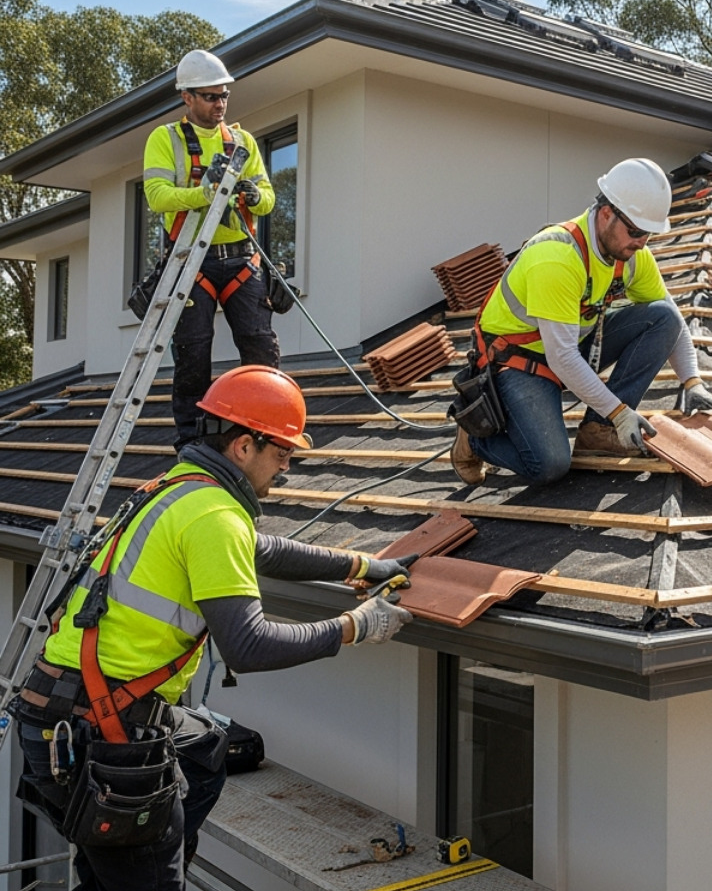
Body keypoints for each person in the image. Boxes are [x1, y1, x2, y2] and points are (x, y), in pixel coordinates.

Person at [9, 365, 414, 890]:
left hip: (69, 709)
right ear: (244, 446)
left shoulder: (180, 488)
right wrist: (356, 626)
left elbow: (263, 550)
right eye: (283, 453)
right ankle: (152, 860)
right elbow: (248, 646)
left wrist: (362, 566)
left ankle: (147, 854)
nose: (286, 468)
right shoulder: (214, 516)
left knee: (205, 748)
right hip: (99, 730)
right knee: (148, 877)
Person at [452, 157, 712, 486]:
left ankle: (598, 430)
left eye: (649, 235)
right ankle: (473, 441)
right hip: (516, 360)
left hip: (566, 344)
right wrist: (620, 412)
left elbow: (673, 320)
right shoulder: (556, 258)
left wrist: (693, 384)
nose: (642, 242)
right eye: (636, 231)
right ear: (606, 214)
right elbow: (563, 358)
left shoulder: (630, 256)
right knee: (550, 465)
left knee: (662, 317)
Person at [142, 49, 281, 449]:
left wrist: (255, 196)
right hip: (192, 264)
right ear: (187, 97)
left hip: (239, 258)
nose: (219, 104)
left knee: (259, 348)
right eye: (210, 96)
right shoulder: (165, 139)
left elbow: (269, 198)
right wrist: (204, 194)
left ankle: (266, 434)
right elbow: (157, 196)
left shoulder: (242, 141)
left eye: (224, 96)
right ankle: (193, 441)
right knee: (192, 355)